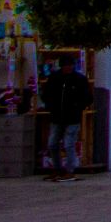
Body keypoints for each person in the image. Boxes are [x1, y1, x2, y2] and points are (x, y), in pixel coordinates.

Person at [39, 55, 92, 184]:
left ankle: (69, 171)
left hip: (72, 118)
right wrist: (50, 106)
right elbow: (46, 94)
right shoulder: (54, 78)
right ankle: (58, 169)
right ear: (61, 66)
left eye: (70, 65)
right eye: (66, 65)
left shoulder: (79, 79)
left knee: (69, 144)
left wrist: (78, 107)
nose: (68, 67)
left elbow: (88, 97)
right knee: (52, 143)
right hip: (57, 117)